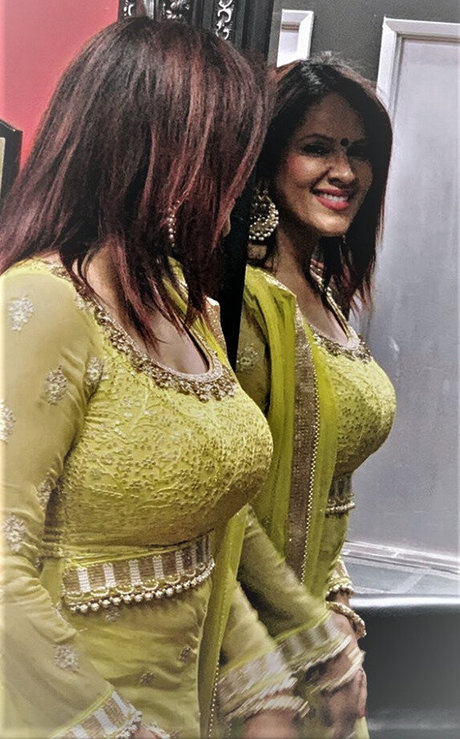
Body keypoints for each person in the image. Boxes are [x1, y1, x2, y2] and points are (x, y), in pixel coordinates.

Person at [0, 17, 307, 739]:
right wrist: (121, 729)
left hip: (184, 707)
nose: (242, 182)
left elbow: (212, 533)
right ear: (156, 153)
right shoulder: (41, 303)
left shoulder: (183, 304)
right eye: (227, 155)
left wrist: (261, 684)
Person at [236, 57, 396, 738]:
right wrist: (303, 630)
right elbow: (224, 499)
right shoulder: (239, 301)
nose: (345, 171)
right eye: (317, 147)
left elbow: (325, 488)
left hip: (323, 628)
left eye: (358, 152)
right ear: (268, 160)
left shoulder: (326, 290)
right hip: (252, 644)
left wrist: (334, 597)